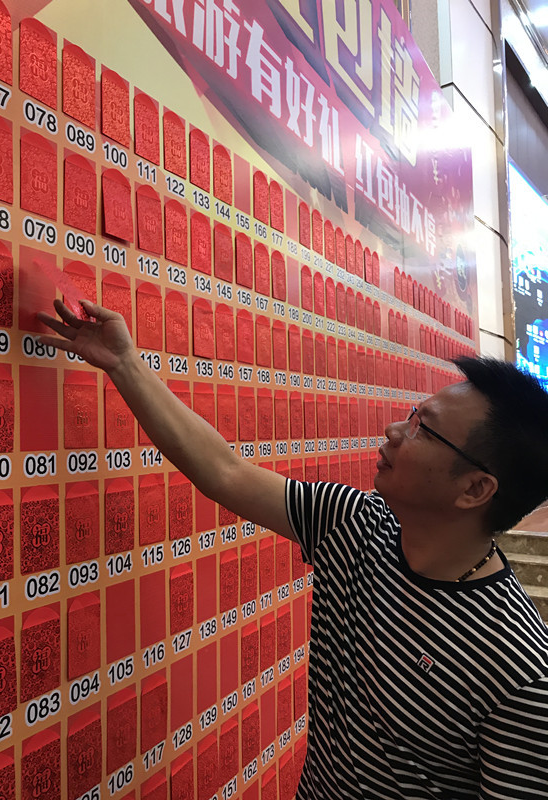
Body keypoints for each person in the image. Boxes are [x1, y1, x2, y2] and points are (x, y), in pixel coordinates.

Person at [39, 299, 548, 800]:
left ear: (475, 489)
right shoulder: (356, 526)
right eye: (413, 415)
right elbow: (225, 472)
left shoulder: (520, 671)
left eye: (423, 429)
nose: (395, 431)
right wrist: (125, 363)